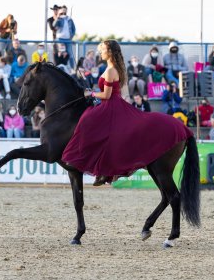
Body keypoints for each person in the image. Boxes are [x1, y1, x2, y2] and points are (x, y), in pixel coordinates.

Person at [62, 40, 193, 186]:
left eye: (103, 50)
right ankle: (101, 170)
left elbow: (106, 95)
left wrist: (90, 93)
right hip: (110, 103)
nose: (100, 52)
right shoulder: (112, 68)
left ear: (110, 52)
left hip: (111, 105)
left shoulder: (111, 70)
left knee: (87, 120)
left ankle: (99, 168)